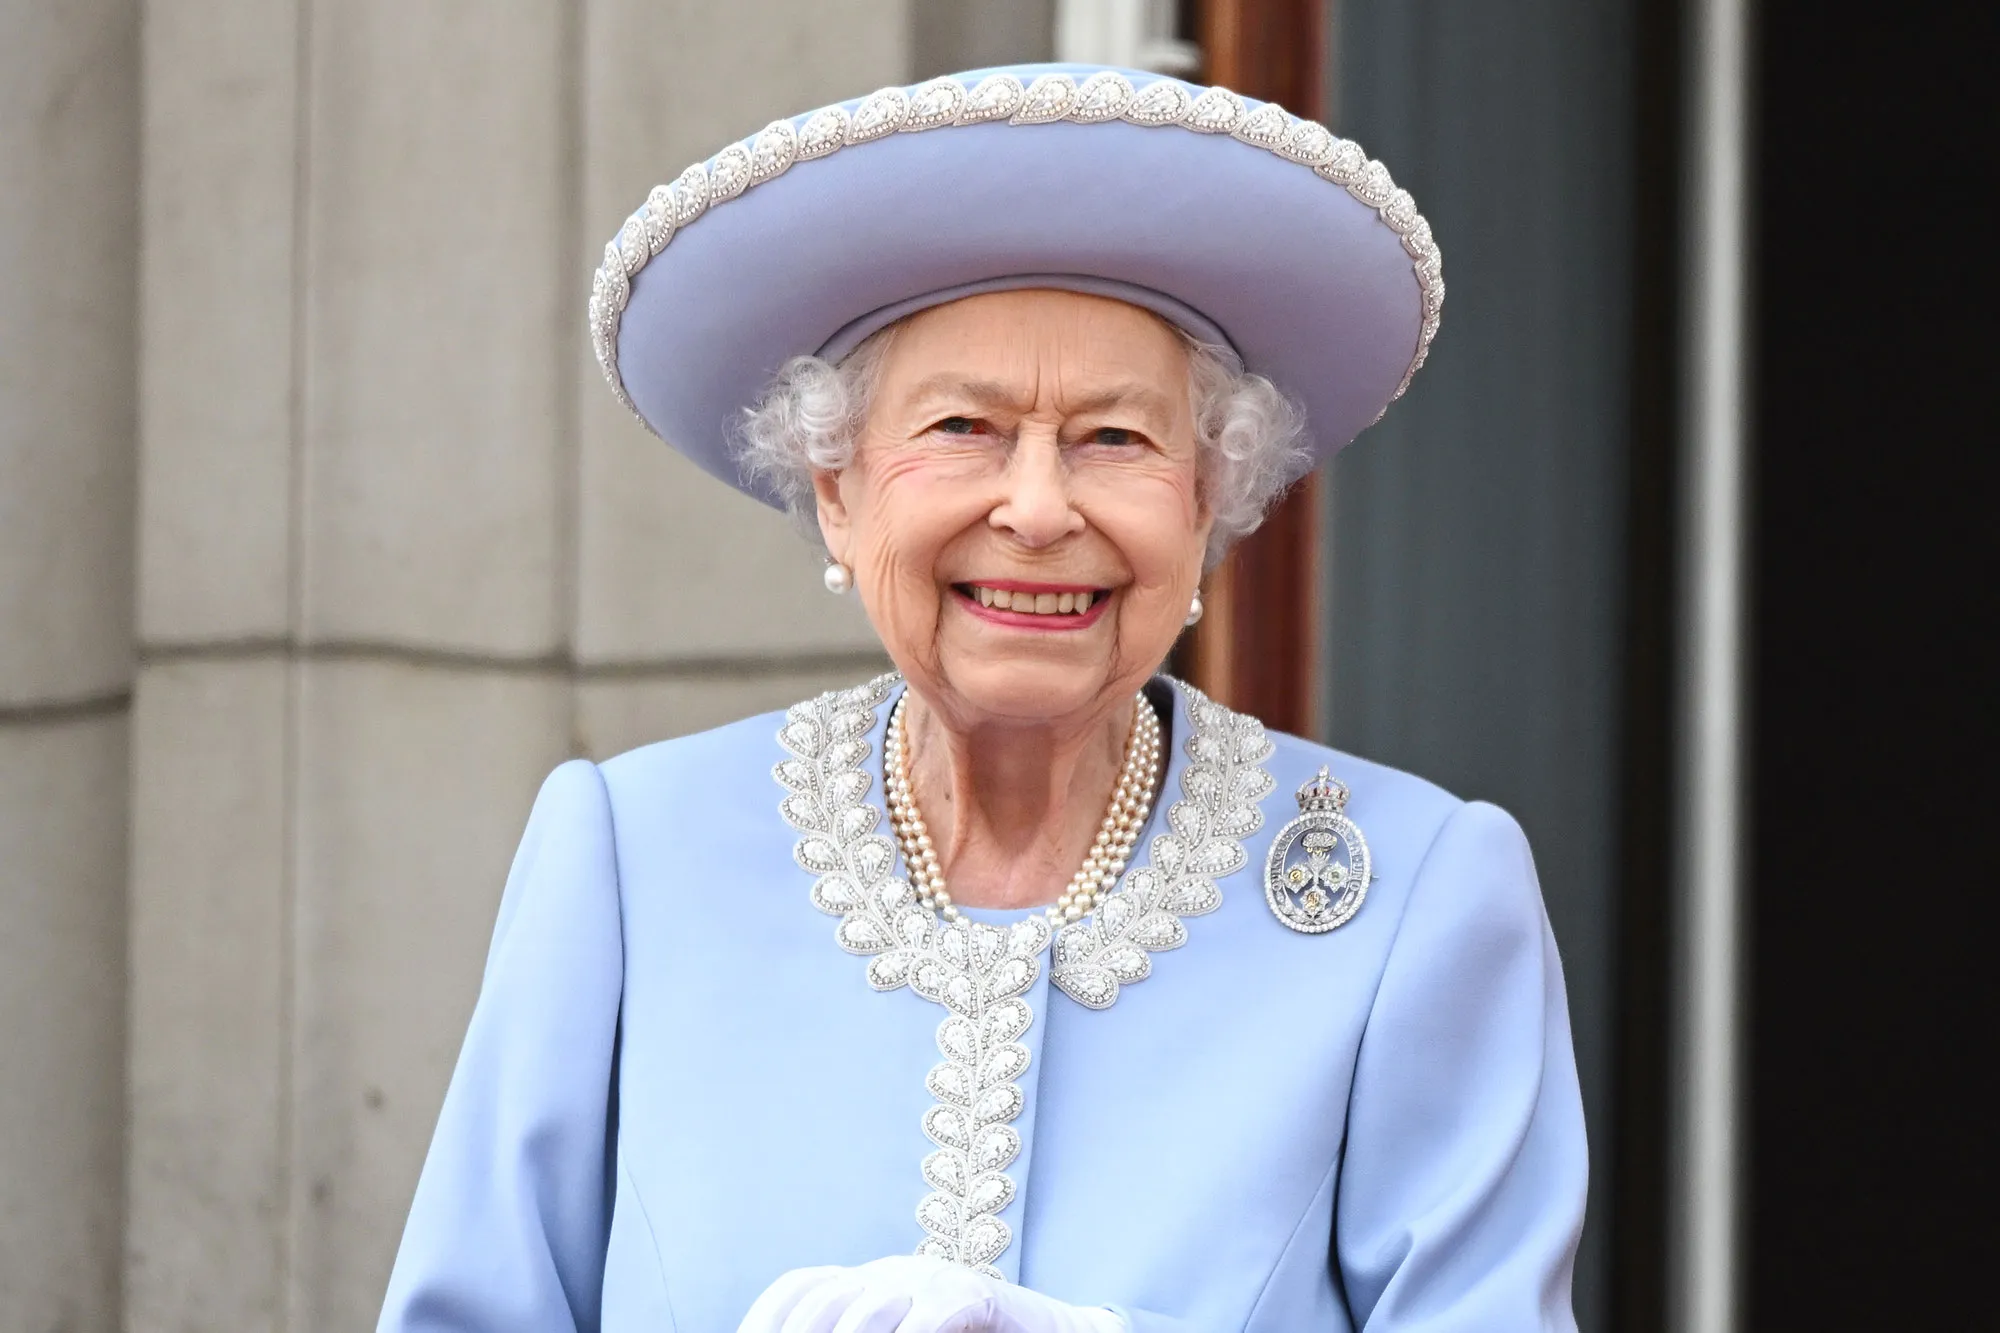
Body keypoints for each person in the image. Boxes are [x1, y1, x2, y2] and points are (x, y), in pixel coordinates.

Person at [379, 64, 1585, 1332]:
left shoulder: (1413, 898)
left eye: (1114, 438)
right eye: (962, 427)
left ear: (1205, 503)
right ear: (836, 490)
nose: (1038, 507)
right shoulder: (631, 856)